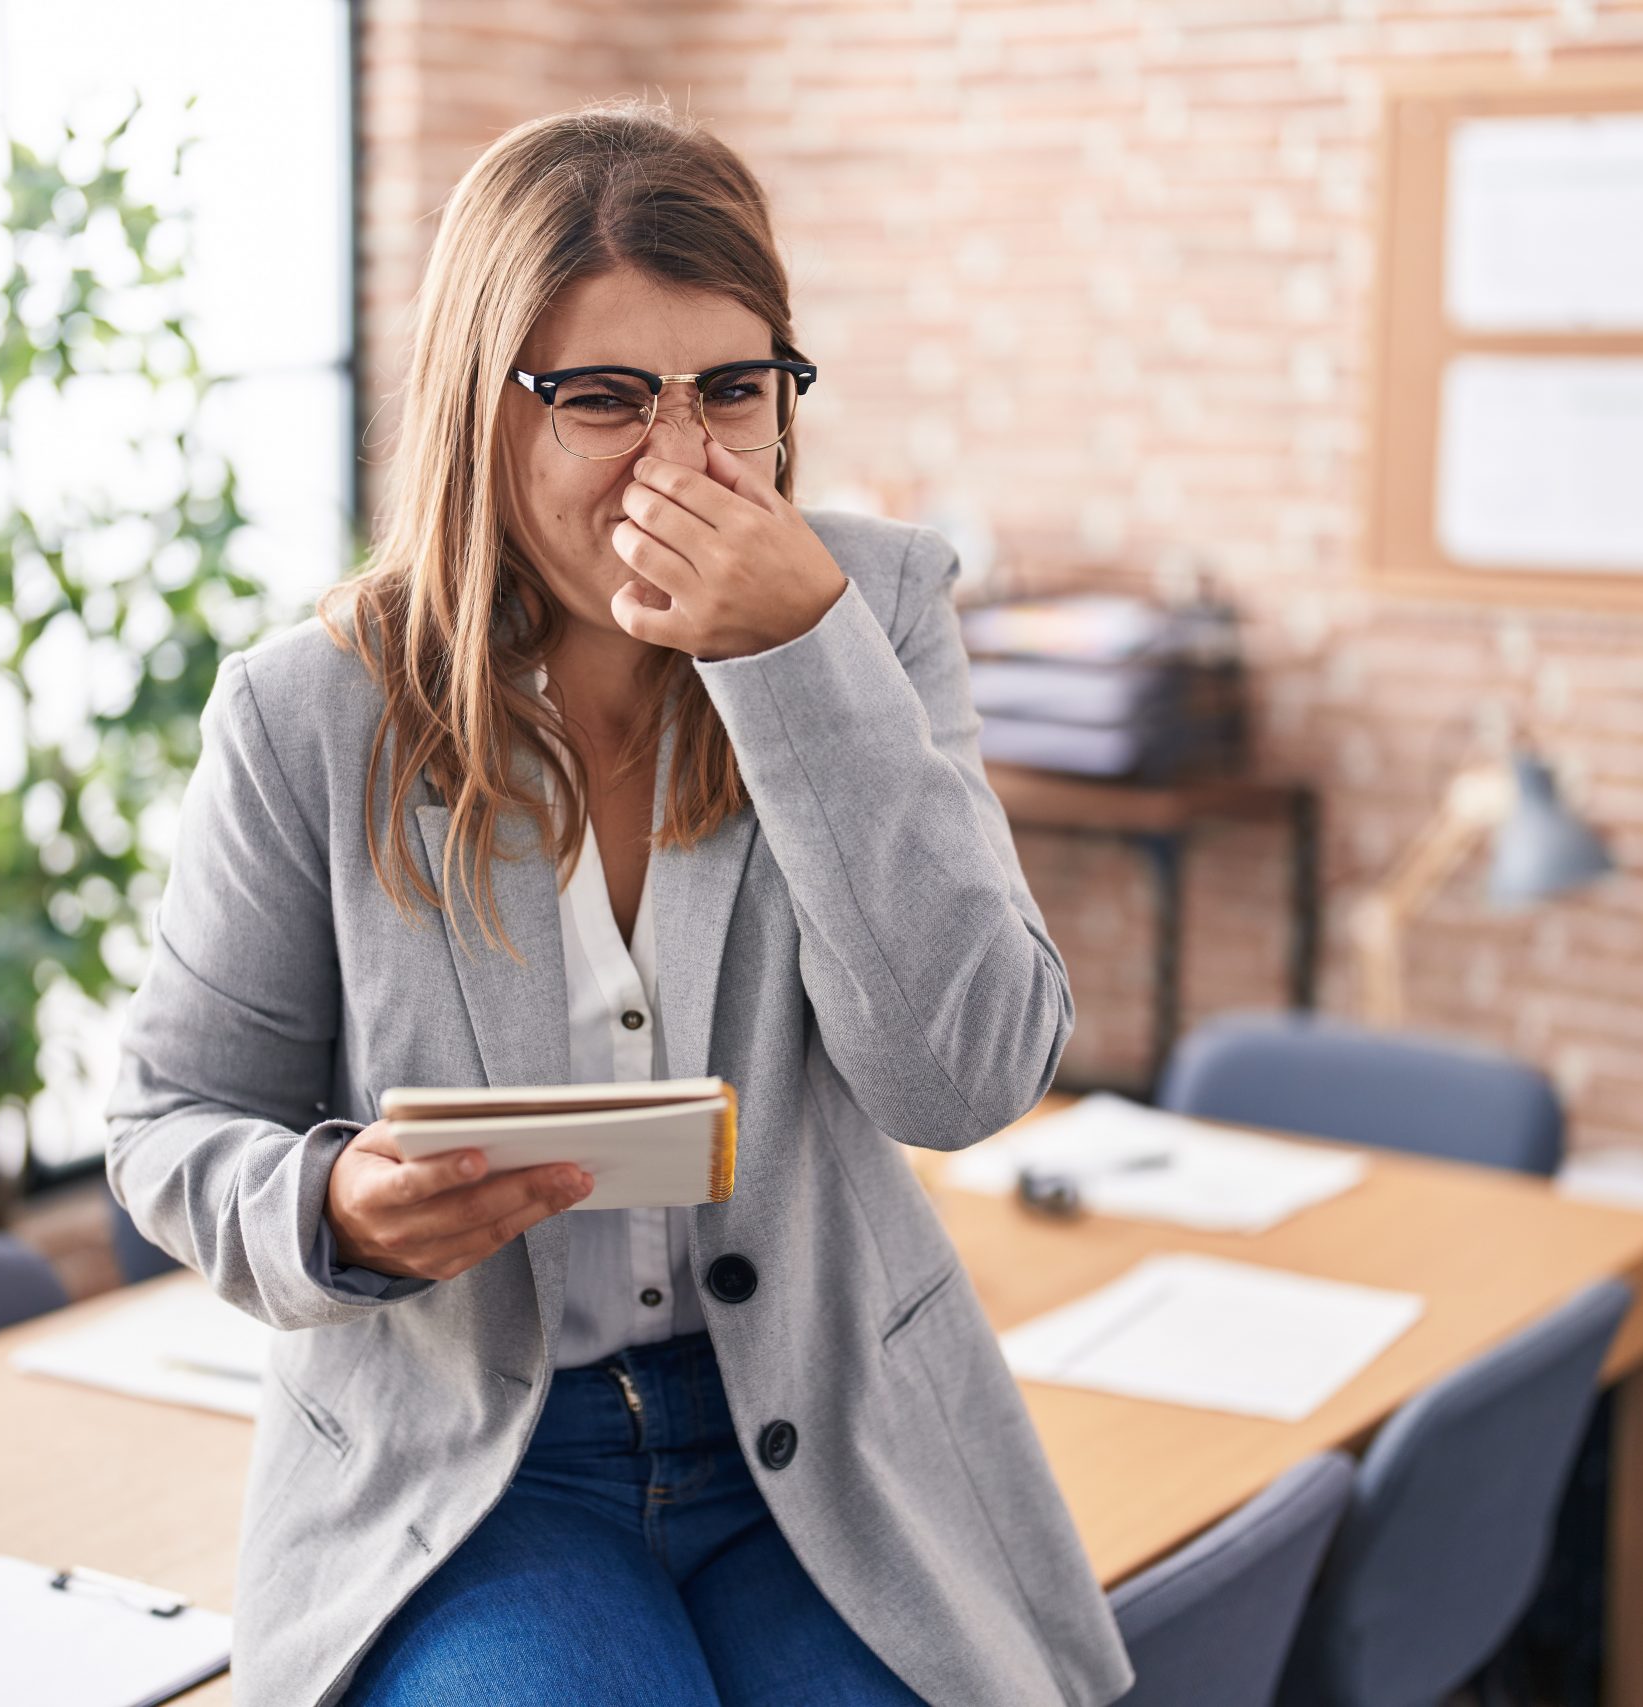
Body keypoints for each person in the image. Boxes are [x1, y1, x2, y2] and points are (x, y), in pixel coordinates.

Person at [104, 97, 1133, 1707]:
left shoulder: (878, 615)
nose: (686, 460)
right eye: (604, 398)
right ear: (481, 415)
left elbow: (965, 1080)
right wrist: (334, 1211)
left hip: (834, 1432)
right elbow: (170, 1119)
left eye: (734, 390)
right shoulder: (312, 712)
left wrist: (794, 665)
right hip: (475, 1468)